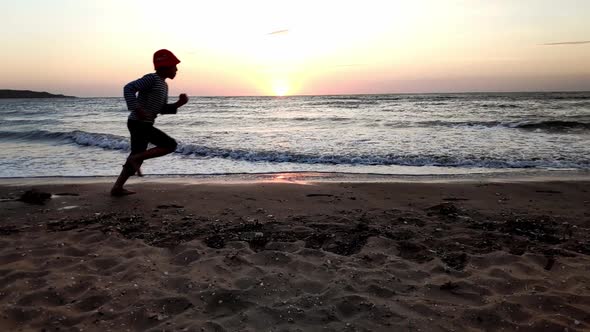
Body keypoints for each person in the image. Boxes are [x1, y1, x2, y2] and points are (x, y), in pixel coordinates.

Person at [110, 49, 189, 196]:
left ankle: (117, 188)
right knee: (170, 145)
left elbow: (161, 108)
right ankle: (133, 163)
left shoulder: (164, 86)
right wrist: (137, 108)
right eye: (174, 66)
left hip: (144, 124)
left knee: (137, 156)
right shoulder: (151, 79)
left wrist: (179, 103)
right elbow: (128, 88)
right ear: (165, 66)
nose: (177, 69)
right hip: (138, 123)